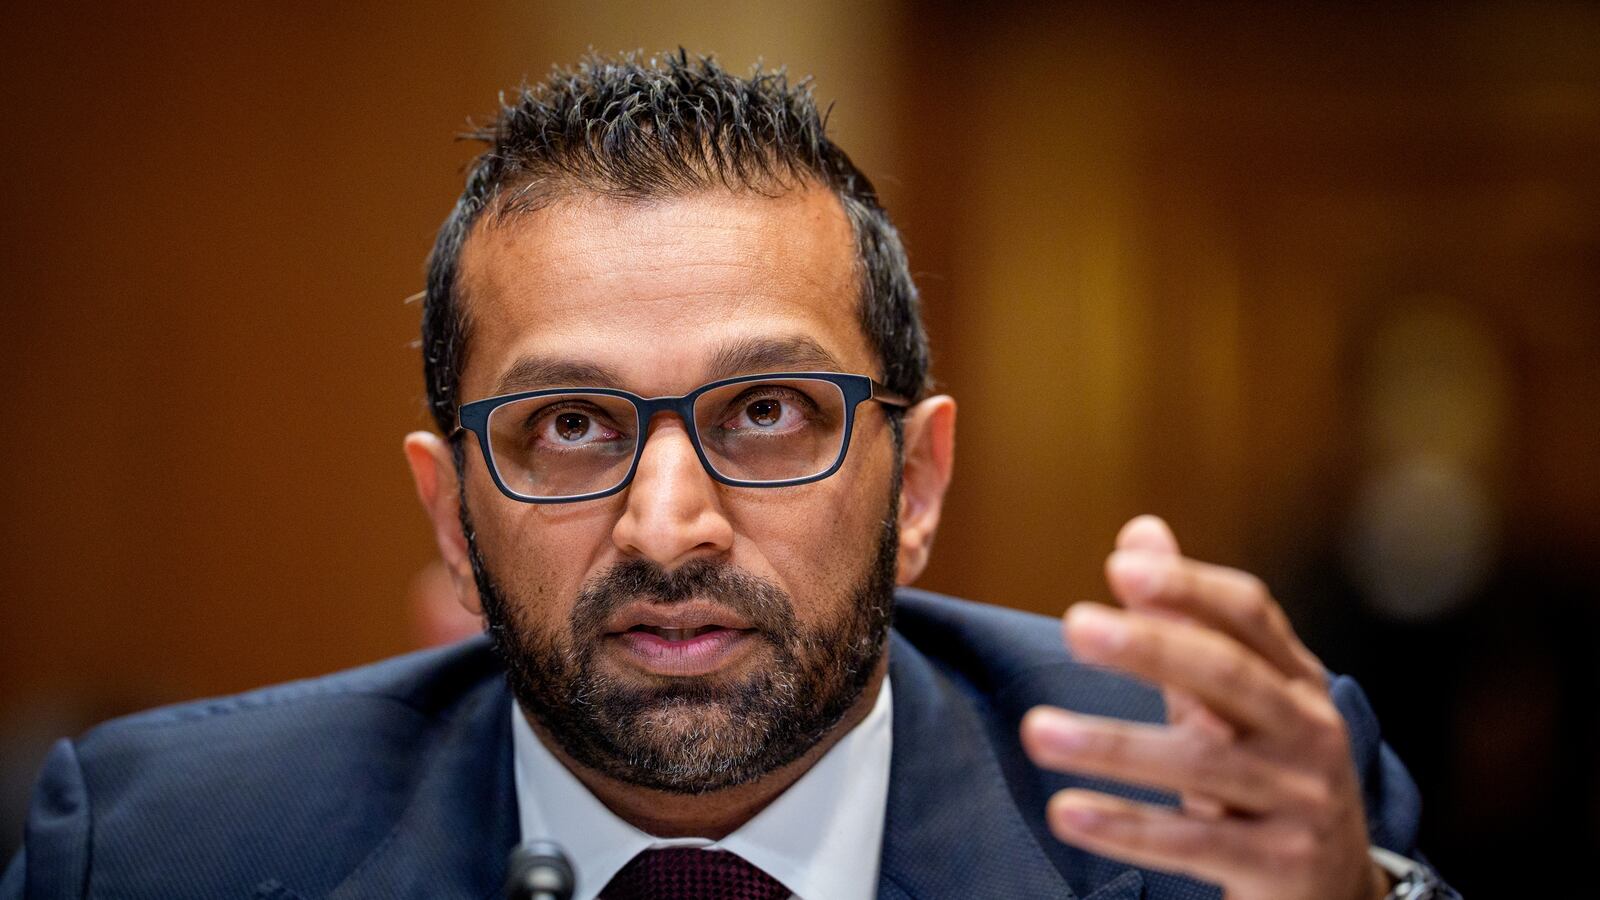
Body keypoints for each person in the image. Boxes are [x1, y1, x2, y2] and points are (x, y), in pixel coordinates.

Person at [1, 51, 1454, 900]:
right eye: (569, 426)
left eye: (766, 410)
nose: (670, 524)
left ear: (920, 486)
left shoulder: (1220, 824)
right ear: (452, 515)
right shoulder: (150, 852)